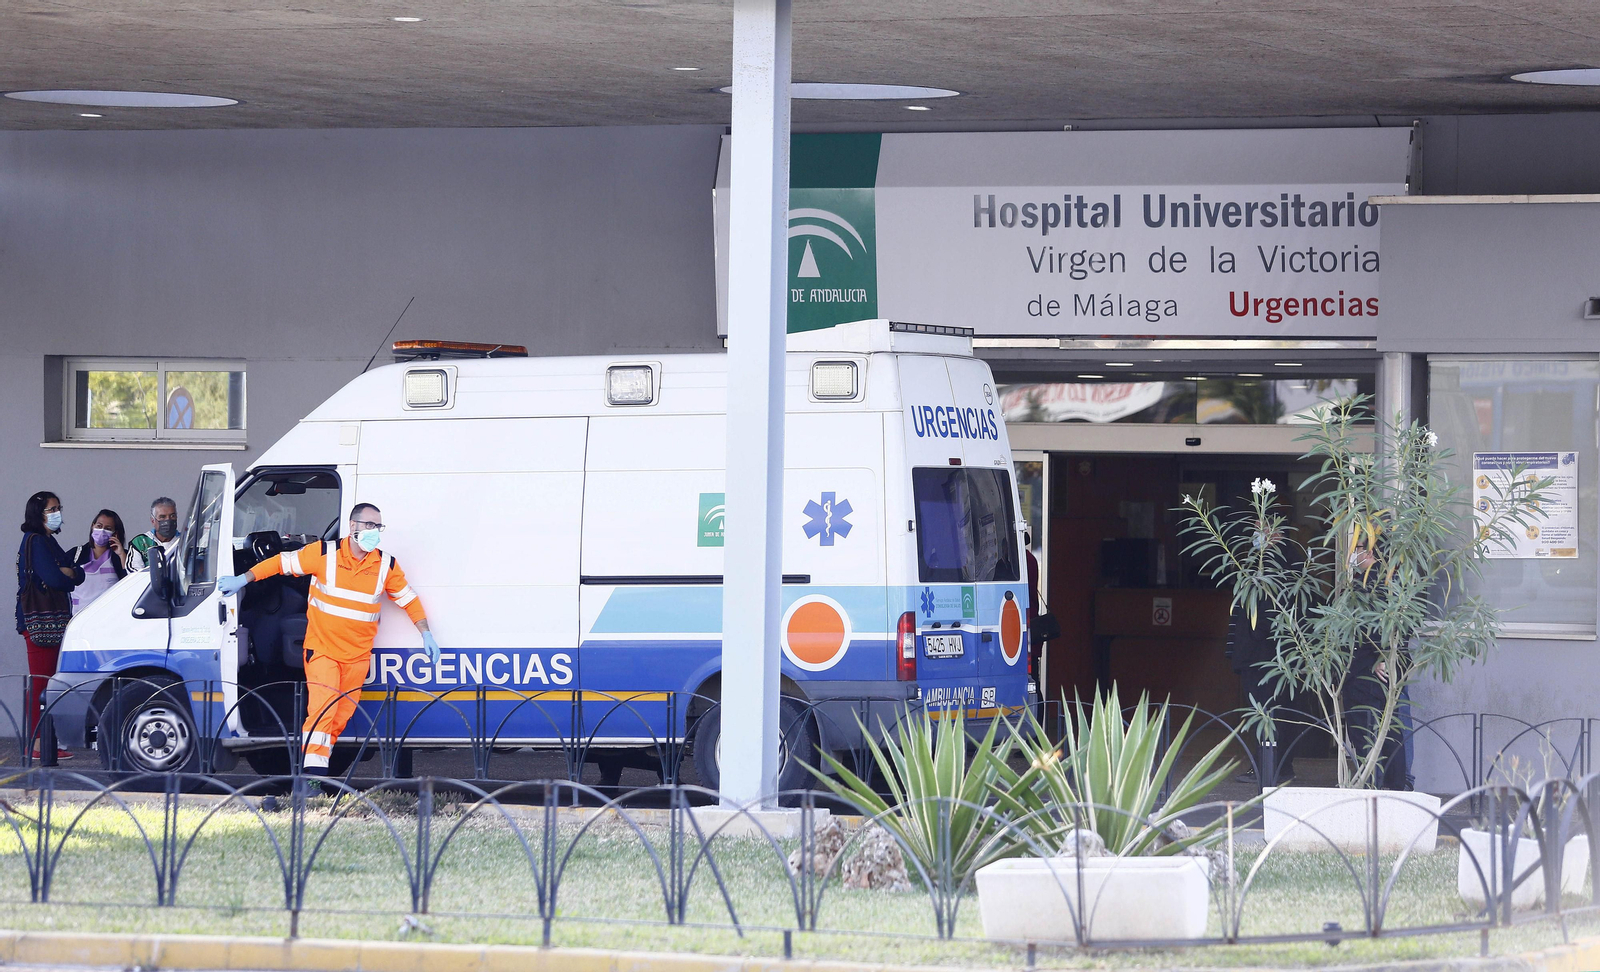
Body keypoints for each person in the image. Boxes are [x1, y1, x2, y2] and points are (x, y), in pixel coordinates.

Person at [217, 503, 438, 777]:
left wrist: (425, 632)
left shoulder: (385, 565)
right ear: (353, 526)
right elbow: (280, 563)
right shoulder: (324, 554)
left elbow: (408, 599)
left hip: (357, 658)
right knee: (323, 710)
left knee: (340, 716)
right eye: (370, 525)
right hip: (323, 651)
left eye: (378, 527)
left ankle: (313, 768)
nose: (375, 532)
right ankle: (311, 780)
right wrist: (243, 579)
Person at [15, 491, 81, 760]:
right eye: (51, 509)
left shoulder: (49, 541)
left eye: (58, 508)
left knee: (49, 682)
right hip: (39, 620)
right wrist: (68, 575)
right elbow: (59, 578)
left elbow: (77, 571)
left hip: (52, 620)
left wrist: (70, 573)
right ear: (37, 514)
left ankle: (48, 743)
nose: (57, 513)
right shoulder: (36, 542)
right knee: (41, 684)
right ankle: (38, 744)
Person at [67, 510, 128, 613]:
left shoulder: (121, 556)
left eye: (108, 529)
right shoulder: (76, 554)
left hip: (109, 617)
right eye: (99, 526)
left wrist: (122, 554)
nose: (102, 531)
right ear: (92, 526)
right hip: (79, 617)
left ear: (115, 533)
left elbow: (129, 582)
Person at [128, 497, 181, 572]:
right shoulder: (140, 542)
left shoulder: (185, 541)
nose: (168, 520)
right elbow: (135, 573)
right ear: (153, 521)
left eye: (172, 516)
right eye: (162, 517)